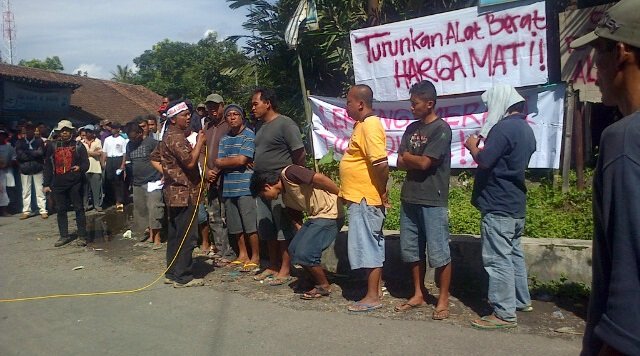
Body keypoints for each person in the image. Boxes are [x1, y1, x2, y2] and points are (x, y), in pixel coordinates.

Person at [570, 2, 640, 354]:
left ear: (622, 51)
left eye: (599, 50)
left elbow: (630, 280)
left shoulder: (625, 139)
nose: (593, 66)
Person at [464, 84, 536, 329]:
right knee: (513, 253)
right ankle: (519, 300)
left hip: (499, 203)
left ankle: (504, 314)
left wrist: (472, 145)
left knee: (497, 259)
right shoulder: (525, 129)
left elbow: (484, 160)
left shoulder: (503, 129)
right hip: (515, 203)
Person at [395, 80, 452, 320]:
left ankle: (443, 299)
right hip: (410, 197)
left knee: (439, 252)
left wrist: (410, 157)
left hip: (433, 198)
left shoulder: (441, 129)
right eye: (410, 103)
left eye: (415, 103)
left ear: (429, 103)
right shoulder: (411, 129)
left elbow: (426, 163)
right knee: (412, 250)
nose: (411, 107)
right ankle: (418, 293)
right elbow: (399, 161)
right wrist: (411, 158)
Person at [251, 165, 343, 298]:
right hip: (316, 216)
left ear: (267, 187)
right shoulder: (285, 194)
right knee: (294, 249)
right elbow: (293, 213)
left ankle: (323, 285)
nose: (267, 199)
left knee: (306, 253)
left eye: (263, 195)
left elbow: (319, 178)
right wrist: (301, 230)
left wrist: (340, 193)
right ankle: (311, 278)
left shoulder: (290, 173)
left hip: (330, 214)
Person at [339, 84, 389, 312]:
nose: (346, 105)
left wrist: (381, 189)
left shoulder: (370, 125)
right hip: (361, 197)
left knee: (369, 246)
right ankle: (375, 292)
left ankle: (372, 297)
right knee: (369, 244)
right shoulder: (361, 125)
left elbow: (380, 163)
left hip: (366, 198)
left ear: (360, 103)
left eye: (349, 101)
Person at [251, 88, 306, 285]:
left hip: (279, 185)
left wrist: (290, 180)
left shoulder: (285, 123)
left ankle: (285, 267)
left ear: (268, 103)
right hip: (262, 184)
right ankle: (272, 265)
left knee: (284, 227)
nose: (253, 107)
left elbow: (299, 153)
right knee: (267, 227)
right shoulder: (260, 126)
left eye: (256, 103)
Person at [150, 100, 206, 288]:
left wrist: (168, 172)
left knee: (175, 233)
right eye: (184, 115)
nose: (188, 117)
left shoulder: (167, 136)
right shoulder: (176, 137)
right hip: (184, 193)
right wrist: (199, 143)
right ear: (173, 119)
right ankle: (183, 275)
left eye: (189, 114)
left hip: (173, 192)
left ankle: (172, 271)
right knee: (186, 235)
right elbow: (190, 163)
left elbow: (155, 157)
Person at [215, 104, 259, 273]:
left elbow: (242, 160)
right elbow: (219, 161)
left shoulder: (249, 135)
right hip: (228, 187)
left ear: (242, 117)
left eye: (235, 114)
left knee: (250, 225)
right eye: (229, 115)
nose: (232, 117)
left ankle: (255, 256)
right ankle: (242, 255)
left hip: (245, 186)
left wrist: (228, 162)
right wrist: (231, 161)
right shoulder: (224, 139)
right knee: (235, 225)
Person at [43, 120, 89, 247]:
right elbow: (47, 165)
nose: (65, 133)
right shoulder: (52, 146)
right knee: (61, 210)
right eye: (62, 131)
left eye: (67, 131)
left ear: (71, 132)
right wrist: (46, 184)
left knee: (79, 209)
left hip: (75, 183)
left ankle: (82, 236)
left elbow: (86, 163)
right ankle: (64, 236)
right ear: (59, 132)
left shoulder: (79, 146)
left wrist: (79, 168)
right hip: (58, 183)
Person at [124, 122, 163, 249]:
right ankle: (150, 236)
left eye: (134, 137)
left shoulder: (151, 143)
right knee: (141, 211)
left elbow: (162, 157)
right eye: (130, 138)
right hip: (137, 182)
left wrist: (164, 174)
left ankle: (157, 238)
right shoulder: (129, 145)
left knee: (154, 209)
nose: (132, 140)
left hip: (153, 181)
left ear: (140, 133)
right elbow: (129, 161)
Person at [202, 93, 231, 261]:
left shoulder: (229, 125)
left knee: (227, 216)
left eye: (215, 106)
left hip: (225, 178)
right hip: (209, 179)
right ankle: (220, 250)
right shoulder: (207, 127)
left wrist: (217, 170)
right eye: (209, 107)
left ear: (222, 105)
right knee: (213, 216)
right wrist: (205, 170)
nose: (212, 110)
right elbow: (202, 152)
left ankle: (229, 251)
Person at [15, 123, 48, 219]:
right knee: (26, 191)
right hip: (25, 168)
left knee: (40, 190)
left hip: (37, 167)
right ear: (25, 131)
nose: (29, 131)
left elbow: (41, 153)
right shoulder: (20, 142)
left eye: (31, 129)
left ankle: (43, 210)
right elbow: (20, 155)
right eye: (27, 129)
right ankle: (26, 211)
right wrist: (33, 153)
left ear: (34, 130)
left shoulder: (39, 141)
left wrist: (28, 152)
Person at [101, 123, 127, 211]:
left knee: (118, 181)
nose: (112, 130)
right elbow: (104, 152)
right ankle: (111, 199)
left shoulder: (122, 140)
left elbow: (124, 153)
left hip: (118, 159)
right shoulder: (107, 139)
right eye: (111, 128)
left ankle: (119, 200)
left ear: (118, 129)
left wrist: (122, 165)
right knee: (109, 179)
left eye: (114, 128)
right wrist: (103, 162)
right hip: (110, 160)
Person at [81, 127, 103, 212]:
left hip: (96, 167)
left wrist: (87, 152)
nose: (89, 133)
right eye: (87, 132)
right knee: (85, 189)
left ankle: (97, 205)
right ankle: (85, 205)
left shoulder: (98, 141)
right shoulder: (81, 142)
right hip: (85, 168)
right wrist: (93, 152)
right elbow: (81, 154)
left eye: (90, 132)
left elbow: (99, 153)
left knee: (96, 189)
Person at [0, 129, 16, 217]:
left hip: (7, 171)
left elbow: (14, 158)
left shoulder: (9, 147)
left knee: (7, 191)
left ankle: (6, 210)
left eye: (2, 135)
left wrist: (7, 164)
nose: (0, 137)